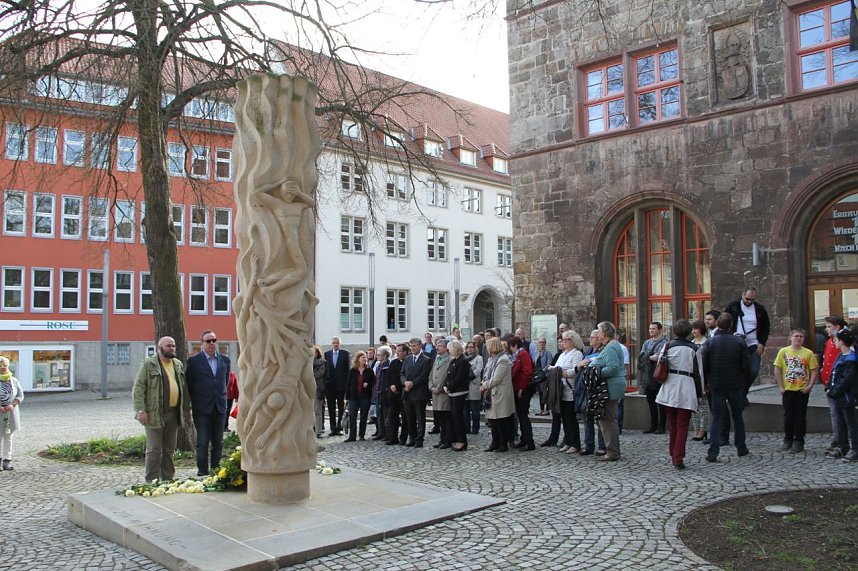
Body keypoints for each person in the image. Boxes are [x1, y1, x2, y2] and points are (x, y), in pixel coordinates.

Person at [132, 336, 191, 482]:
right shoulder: (149, 364)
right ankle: (150, 480)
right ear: (159, 348)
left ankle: (168, 478)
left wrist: (185, 409)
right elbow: (138, 388)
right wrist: (141, 410)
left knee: (169, 448)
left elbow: (184, 388)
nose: (172, 348)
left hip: (174, 412)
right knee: (154, 449)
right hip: (154, 412)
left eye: (173, 345)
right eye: (168, 346)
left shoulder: (177, 364)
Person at [701, 313, 750, 463]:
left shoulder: (710, 343)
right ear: (730, 325)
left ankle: (713, 452)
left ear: (718, 324)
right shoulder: (739, 342)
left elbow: (704, 366)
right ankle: (741, 447)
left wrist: (706, 383)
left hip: (717, 384)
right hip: (735, 384)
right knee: (737, 416)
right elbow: (745, 366)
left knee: (717, 418)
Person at [655, 320, 703, 470]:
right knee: (682, 424)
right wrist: (700, 393)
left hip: (670, 384)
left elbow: (660, 365)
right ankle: (678, 456)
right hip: (686, 386)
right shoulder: (694, 348)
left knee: (673, 423)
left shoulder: (668, 345)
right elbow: (699, 373)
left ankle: (673, 453)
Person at [185, 330, 230, 477]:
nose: (212, 343)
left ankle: (216, 469)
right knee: (203, 442)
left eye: (214, 340)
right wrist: (191, 405)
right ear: (202, 343)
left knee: (218, 442)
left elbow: (225, 381)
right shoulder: (194, 361)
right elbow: (189, 384)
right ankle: (202, 470)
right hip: (202, 408)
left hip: (220, 407)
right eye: (208, 341)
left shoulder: (225, 360)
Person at [579, 321, 625, 461]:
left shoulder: (611, 347)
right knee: (607, 420)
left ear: (604, 333)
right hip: (609, 387)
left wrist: (595, 371)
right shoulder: (610, 345)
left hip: (609, 388)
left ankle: (612, 452)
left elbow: (613, 368)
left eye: (598, 332)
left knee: (607, 420)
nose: (597, 334)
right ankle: (612, 450)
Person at [773, 328, 819, 454]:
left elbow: (814, 370)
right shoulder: (783, 352)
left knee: (800, 416)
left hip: (801, 389)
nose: (798, 339)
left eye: (801, 337)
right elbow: (777, 369)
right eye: (796, 336)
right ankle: (788, 439)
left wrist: (810, 386)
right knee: (788, 415)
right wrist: (781, 386)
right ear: (791, 338)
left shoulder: (808, 353)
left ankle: (798, 440)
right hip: (788, 389)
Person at [725, 287, 770, 396]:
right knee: (739, 370)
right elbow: (725, 321)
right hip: (736, 344)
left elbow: (766, 327)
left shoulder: (759, 309)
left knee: (754, 370)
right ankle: (740, 394)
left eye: (752, 300)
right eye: (747, 299)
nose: (749, 302)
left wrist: (762, 342)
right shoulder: (733, 306)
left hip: (753, 344)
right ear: (742, 295)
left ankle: (743, 392)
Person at [824, 328, 858, 462]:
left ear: (842, 342)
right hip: (837, 396)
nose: (835, 342)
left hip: (846, 396)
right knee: (840, 422)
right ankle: (842, 446)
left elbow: (846, 379)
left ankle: (855, 449)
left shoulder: (851, 359)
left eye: (837, 340)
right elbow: (834, 373)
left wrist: (834, 391)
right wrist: (829, 387)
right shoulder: (840, 356)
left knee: (851, 424)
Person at [548, 330, 584, 454]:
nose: (563, 343)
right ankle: (568, 441)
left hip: (570, 389)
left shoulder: (577, 354)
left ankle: (575, 443)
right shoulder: (563, 354)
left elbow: (575, 371)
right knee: (564, 418)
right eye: (562, 340)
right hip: (560, 390)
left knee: (571, 418)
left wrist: (561, 372)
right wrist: (557, 371)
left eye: (565, 340)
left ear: (572, 341)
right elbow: (556, 367)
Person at [820, 316, 849, 457]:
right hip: (829, 383)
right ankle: (838, 441)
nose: (826, 329)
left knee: (839, 415)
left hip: (838, 385)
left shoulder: (844, 342)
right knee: (835, 414)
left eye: (828, 326)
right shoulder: (829, 342)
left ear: (837, 327)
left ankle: (840, 443)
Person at [481, 337, 515, 452]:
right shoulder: (492, 359)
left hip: (500, 393)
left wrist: (484, 385)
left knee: (500, 420)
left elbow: (497, 379)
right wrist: (484, 383)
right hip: (491, 393)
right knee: (493, 420)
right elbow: (486, 374)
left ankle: (502, 443)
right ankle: (495, 442)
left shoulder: (503, 360)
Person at [638, 322, 667, 434]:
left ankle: (662, 426)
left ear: (660, 329)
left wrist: (649, 357)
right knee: (651, 401)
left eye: (654, 328)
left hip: (659, 374)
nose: (651, 330)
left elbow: (659, 357)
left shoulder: (664, 342)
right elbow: (642, 357)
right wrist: (650, 357)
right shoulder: (646, 342)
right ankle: (653, 425)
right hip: (647, 375)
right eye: (650, 328)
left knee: (661, 402)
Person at [402, 337, 432, 448]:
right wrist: (405, 382)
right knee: (410, 417)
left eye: (414, 346)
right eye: (411, 346)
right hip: (407, 392)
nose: (412, 348)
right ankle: (412, 437)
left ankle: (419, 439)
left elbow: (424, 376)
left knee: (420, 417)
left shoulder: (426, 359)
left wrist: (412, 383)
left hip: (419, 392)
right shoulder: (407, 359)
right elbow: (402, 373)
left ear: (420, 346)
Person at [442, 340, 471, 451]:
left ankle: (462, 440)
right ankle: (457, 439)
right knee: (454, 417)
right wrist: (445, 385)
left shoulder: (463, 361)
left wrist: (450, 387)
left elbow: (460, 377)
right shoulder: (453, 360)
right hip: (452, 392)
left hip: (459, 392)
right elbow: (448, 375)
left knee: (458, 417)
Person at [510, 336, 536, 451]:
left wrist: (521, 388)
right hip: (519, 388)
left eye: (511, 347)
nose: (510, 350)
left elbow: (527, 372)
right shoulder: (518, 355)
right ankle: (524, 438)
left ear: (515, 346)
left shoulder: (523, 354)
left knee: (523, 415)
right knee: (521, 415)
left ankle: (529, 442)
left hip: (524, 389)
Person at [345, 351, 375, 441]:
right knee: (352, 415)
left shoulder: (369, 370)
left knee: (364, 416)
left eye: (366, 357)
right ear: (358, 359)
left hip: (365, 396)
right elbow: (348, 384)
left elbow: (373, 382)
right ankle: (352, 436)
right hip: (354, 397)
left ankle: (361, 435)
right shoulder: (353, 371)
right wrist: (347, 398)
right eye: (363, 357)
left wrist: (368, 383)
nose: (365, 359)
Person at [0, 356, 23, 471]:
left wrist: (12, 405)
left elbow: (20, 395)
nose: (3, 368)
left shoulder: (13, 380)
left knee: (8, 437)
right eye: (1, 366)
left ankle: (6, 461)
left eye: (5, 366)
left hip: (10, 414)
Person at [429, 338, 452, 449]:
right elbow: (431, 374)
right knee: (440, 418)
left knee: (446, 418)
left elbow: (445, 377)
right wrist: (431, 386)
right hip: (435, 393)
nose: (437, 348)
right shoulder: (437, 358)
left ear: (446, 348)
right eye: (437, 345)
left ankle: (447, 440)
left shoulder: (450, 360)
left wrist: (439, 388)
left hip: (443, 393)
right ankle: (442, 439)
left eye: (440, 346)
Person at [324, 337, 349, 436]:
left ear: (340, 344)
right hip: (330, 385)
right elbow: (325, 370)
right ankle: (332, 428)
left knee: (340, 407)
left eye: (337, 343)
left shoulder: (345, 354)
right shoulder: (327, 354)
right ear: (331, 344)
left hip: (341, 385)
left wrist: (347, 385)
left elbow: (347, 370)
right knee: (331, 407)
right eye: (334, 343)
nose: (335, 344)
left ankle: (339, 427)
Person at [690, 320, 710, 443]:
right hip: (693, 377)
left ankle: (703, 429)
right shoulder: (691, 343)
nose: (693, 331)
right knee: (694, 407)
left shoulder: (706, 343)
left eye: (695, 329)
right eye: (692, 329)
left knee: (704, 407)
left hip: (703, 377)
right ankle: (696, 428)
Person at [464, 341, 484, 435]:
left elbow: (478, 370)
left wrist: (468, 376)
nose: (470, 349)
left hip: (474, 385)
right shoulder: (464, 358)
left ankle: (475, 428)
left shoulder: (478, 358)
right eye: (468, 347)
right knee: (465, 410)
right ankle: (466, 427)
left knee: (475, 409)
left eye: (471, 347)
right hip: (464, 386)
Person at [372, 346, 391, 441]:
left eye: (379, 355)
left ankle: (388, 434)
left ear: (385, 355)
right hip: (378, 392)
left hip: (385, 393)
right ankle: (381, 432)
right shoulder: (379, 364)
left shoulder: (388, 365)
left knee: (386, 414)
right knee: (379, 414)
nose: (377, 356)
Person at [531, 337, 553, 415]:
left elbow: (549, 364)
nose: (541, 344)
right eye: (540, 342)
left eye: (543, 342)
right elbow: (534, 364)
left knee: (546, 392)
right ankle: (541, 408)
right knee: (540, 392)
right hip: (539, 377)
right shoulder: (537, 354)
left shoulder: (548, 353)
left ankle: (547, 409)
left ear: (545, 343)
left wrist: (543, 371)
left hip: (545, 376)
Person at [312, 345, 327, 438]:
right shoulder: (308, 363)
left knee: (317, 411)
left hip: (318, 388)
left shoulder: (322, 362)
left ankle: (318, 431)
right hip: (309, 389)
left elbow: (319, 374)